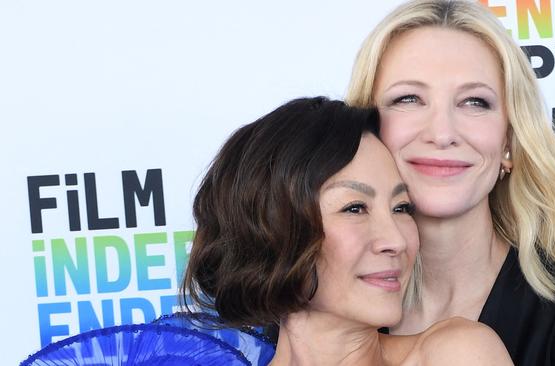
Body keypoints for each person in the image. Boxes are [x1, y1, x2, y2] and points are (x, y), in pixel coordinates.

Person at [346, 1, 555, 365]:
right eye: (408, 98)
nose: (442, 133)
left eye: (474, 102)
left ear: (509, 142)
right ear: (367, 129)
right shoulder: (319, 288)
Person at [182, 97, 512, 365]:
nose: (396, 240)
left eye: (401, 208)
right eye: (355, 208)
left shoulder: (456, 355)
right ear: (275, 229)